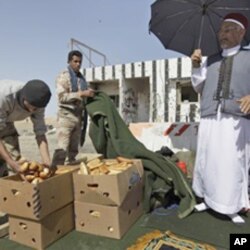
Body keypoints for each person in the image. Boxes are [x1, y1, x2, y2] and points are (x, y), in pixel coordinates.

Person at [191, 13, 250, 223]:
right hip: (209, 117)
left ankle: (231, 206)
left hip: (235, 120)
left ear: (241, 32)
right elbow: (198, 86)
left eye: (227, 29)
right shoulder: (211, 59)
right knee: (207, 161)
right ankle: (207, 199)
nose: (221, 34)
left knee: (231, 164)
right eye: (220, 30)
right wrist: (197, 66)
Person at [0, 79, 52, 174]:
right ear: (23, 98)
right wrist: (10, 162)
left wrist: (46, 161)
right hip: (2, 111)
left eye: (36, 108)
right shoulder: (4, 97)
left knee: (16, 161)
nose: (32, 111)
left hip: (6, 120)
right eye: (31, 106)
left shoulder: (39, 102)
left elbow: (40, 133)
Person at [55, 50, 95, 164]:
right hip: (66, 116)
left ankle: (69, 174)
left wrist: (89, 93)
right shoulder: (64, 76)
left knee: (73, 151)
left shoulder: (81, 78)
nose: (78, 64)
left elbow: (83, 96)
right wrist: (81, 94)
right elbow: (62, 97)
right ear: (69, 61)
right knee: (62, 149)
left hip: (78, 116)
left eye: (80, 62)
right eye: (75, 61)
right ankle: (55, 175)